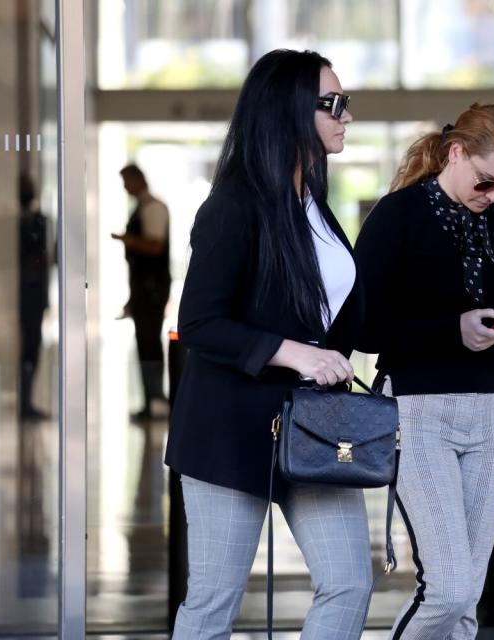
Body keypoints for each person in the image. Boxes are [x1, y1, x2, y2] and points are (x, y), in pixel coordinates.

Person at [164, 49, 373, 638]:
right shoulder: (233, 206)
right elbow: (200, 322)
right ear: (287, 111)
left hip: (313, 429)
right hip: (228, 434)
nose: (345, 115)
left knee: (350, 584)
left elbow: (340, 315)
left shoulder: (315, 207)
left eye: (345, 103)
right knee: (212, 604)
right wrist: (294, 351)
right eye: (332, 104)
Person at [354, 103, 494, 640]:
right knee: (449, 587)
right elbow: (362, 331)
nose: (493, 198)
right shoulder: (397, 216)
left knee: (468, 598)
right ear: (456, 152)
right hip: (418, 408)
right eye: (486, 183)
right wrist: (450, 329)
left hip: (491, 410)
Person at [111, 164, 171, 420]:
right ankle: (151, 399)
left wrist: (128, 240)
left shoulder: (154, 208)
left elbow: (155, 246)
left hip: (152, 289)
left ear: (137, 180)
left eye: (126, 182)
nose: (125, 188)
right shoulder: (144, 207)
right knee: (144, 344)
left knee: (149, 344)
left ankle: (156, 399)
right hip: (143, 289)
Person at [18, 173, 51, 421]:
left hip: (34, 297)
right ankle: (25, 403)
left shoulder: (39, 222)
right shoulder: (24, 224)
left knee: (32, 348)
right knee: (29, 348)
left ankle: (27, 402)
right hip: (26, 297)